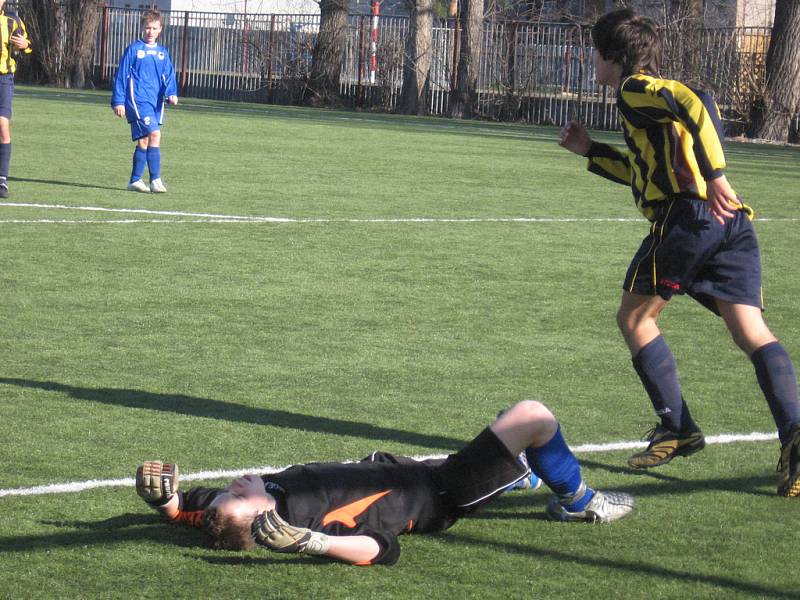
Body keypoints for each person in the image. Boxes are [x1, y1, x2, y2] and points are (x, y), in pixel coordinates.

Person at [558, 8, 800, 496]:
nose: (593, 62)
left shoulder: (634, 89)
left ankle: (678, 427)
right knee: (752, 333)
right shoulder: (647, 103)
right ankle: (796, 437)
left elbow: (693, 100)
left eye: (595, 53)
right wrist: (591, 152)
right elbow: (646, 170)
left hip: (689, 222)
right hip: (729, 222)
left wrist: (716, 175)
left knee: (635, 319)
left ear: (612, 56)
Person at [135, 400, 634, 566]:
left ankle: (518, 476)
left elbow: (196, 513)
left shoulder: (246, 508)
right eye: (241, 491)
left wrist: (166, 505)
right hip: (444, 492)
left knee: (515, 439)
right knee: (532, 416)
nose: (240, 480)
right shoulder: (302, 519)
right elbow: (381, 549)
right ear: (265, 518)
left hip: (403, 467)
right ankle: (580, 501)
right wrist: (315, 543)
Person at [111, 9, 178, 194]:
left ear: (160, 30)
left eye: (154, 28)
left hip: (155, 102)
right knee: (155, 135)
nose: (150, 32)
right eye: (147, 28)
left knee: (145, 140)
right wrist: (118, 101)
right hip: (137, 100)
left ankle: (135, 180)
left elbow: (169, 76)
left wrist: (172, 93)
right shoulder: (134, 49)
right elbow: (122, 75)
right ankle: (155, 180)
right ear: (143, 28)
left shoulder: (162, 53)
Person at [0, 0, 31, 199]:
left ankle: (1, 180)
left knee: (2, 125)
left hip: (4, 79)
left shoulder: (12, 20)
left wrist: (25, 45)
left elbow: (27, 45)